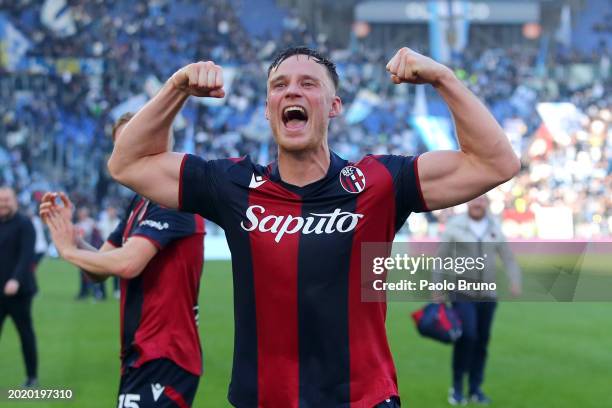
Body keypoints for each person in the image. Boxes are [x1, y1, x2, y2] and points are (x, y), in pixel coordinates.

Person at [107, 46, 520, 407]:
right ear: (269, 108)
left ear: (334, 105)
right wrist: (177, 86)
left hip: (363, 400)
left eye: (309, 83)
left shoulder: (378, 183)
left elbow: (495, 163)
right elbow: (126, 163)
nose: (292, 91)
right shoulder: (232, 186)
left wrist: (443, 78)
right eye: (280, 85)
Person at [40, 114, 206, 408]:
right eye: (118, 147)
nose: (121, 157)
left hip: (165, 355)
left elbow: (128, 264)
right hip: (140, 353)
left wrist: (67, 251)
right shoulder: (140, 202)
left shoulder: (175, 199)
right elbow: (99, 269)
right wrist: (72, 237)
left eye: (128, 144)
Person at [433, 195, 521, 405]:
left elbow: (507, 256)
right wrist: (437, 288)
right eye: (474, 200)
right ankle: (456, 388)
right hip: (461, 291)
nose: (477, 204)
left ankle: (475, 389)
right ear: (468, 202)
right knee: (468, 336)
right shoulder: (456, 225)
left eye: (482, 201)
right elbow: (442, 257)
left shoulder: (494, 226)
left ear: (487, 204)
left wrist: (514, 279)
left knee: (482, 341)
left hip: (488, 294)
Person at [0, 186, 39, 388]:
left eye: (7, 199)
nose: (3, 203)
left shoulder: (25, 224)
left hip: (19, 292)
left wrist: (15, 279)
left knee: (25, 334)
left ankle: (32, 377)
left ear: (14, 200)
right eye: (0, 200)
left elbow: (26, 257)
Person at [97, 204, 121, 298]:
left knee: (116, 271)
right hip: (105, 247)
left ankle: (116, 290)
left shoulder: (118, 222)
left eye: (113, 210)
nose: (112, 213)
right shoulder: (102, 223)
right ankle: (102, 292)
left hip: (116, 249)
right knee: (101, 270)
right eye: (110, 210)